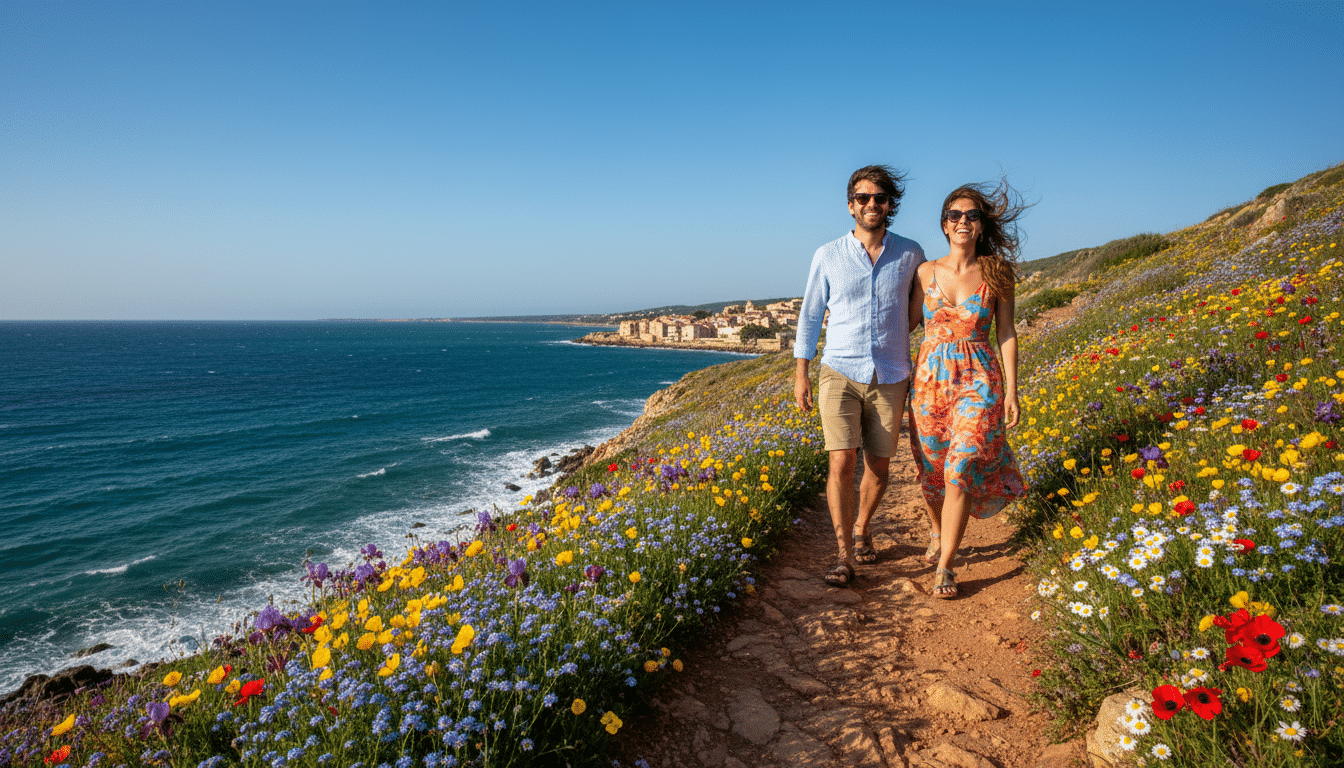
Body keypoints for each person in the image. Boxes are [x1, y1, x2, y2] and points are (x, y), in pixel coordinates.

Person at [794, 165, 926, 586]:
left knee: (879, 464)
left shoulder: (911, 253)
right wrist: (801, 373)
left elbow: (919, 309)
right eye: (863, 198)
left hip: (891, 372)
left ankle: (862, 528)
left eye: (880, 198)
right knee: (841, 459)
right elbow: (810, 316)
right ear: (850, 205)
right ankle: (843, 555)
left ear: (890, 205)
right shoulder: (827, 254)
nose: (872, 204)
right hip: (839, 370)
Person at [907, 180, 1029, 598]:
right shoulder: (924, 272)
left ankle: (946, 566)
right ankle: (938, 530)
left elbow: (1006, 333)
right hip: (929, 384)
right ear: (944, 224)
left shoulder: (997, 272)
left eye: (972, 215)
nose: (963, 221)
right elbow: (905, 325)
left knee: (959, 468)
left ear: (981, 225)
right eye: (955, 215)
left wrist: (1012, 391)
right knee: (933, 472)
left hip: (979, 380)